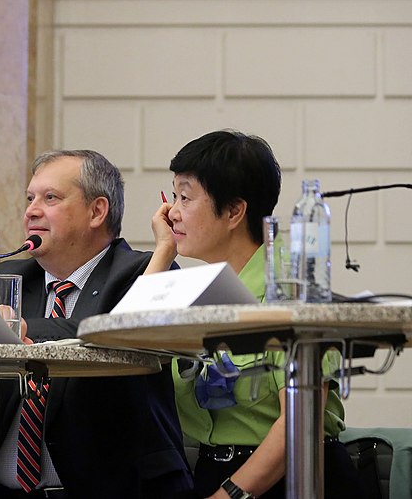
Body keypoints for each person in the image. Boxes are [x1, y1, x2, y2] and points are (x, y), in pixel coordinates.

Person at [147, 130, 362, 499]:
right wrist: (164, 252)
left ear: (233, 211)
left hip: (293, 476)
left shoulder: (291, 291)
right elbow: (132, 341)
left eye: (186, 197)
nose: (173, 213)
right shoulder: (198, 292)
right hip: (211, 471)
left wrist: (230, 494)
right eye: (174, 195)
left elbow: (299, 421)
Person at [0, 150, 193, 499]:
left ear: (97, 211)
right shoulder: (7, 280)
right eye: (30, 198)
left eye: (50, 198)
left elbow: (120, 333)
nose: (31, 211)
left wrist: (20, 329)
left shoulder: (143, 275)